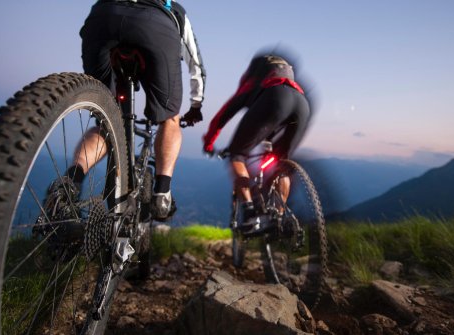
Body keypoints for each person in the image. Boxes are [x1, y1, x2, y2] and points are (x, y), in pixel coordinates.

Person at [42, 0, 206, 222]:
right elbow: (196, 65)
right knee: (170, 119)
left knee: (106, 119)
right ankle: (162, 192)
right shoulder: (175, 9)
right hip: (155, 26)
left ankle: (70, 183)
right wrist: (196, 105)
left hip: (103, 17)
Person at [202, 53, 311, 231]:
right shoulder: (286, 78)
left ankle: (249, 212)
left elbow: (223, 115)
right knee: (282, 163)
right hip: (302, 104)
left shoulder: (251, 83)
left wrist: (208, 143)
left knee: (237, 155)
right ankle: (278, 215)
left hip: (276, 98)